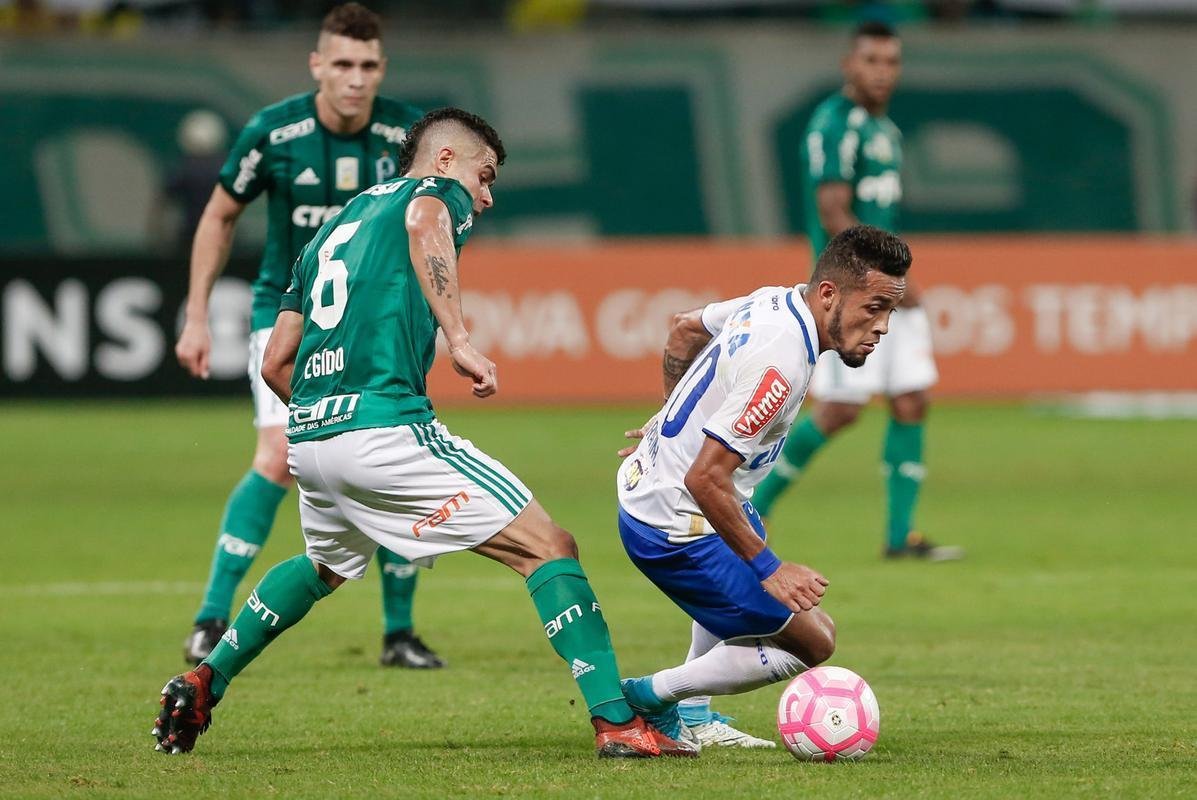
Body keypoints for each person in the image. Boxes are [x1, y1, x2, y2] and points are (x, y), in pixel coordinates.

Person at [151, 108, 695, 760]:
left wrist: (326, 421)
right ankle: (617, 723)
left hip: (315, 437)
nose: (486, 196)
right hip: (385, 430)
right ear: (444, 160)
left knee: (322, 566)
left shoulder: (332, 228)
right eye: (483, 176)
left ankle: (204, 681)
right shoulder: (432, 195)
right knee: (548, 546)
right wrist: (458, 338)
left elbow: (274, 362)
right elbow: (425, 222)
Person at [174, 3, 444, 669]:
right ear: (317, 65)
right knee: (275, 457)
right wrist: (196, 313)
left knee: (395, 455)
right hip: (286, 315)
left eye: (368, 66)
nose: (355, 79)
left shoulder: (407, 136)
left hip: (384, 322)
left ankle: (398, 634)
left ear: (382, 69)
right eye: (343, 64)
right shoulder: (274, 131)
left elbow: (435, 227)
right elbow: (218, 215)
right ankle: (210, 617)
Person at [614, 225, 910, 748]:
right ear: (828, 295)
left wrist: (669, 423)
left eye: (891, 311)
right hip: (673, 527)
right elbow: (704, 478)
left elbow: (684, 328)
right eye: (874, 308)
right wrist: (770, 569)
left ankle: (699, 716)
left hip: (664, 493)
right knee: (814, 642)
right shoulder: (784, 360)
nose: (883, 326)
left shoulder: (775, 300)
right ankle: (648, 697)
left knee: (744, 538)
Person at [752, 21, 962, 561]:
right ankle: (756, 503)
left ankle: (900, 536)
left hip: (886, 284)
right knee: (841, 409)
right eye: (871, 60)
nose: (882, 72)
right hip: (854, 291)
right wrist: (882, 281)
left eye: (891, 62)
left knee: (912, 399)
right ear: (849, 64)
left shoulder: (885, 131)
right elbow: (833, 212)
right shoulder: (833, 125)